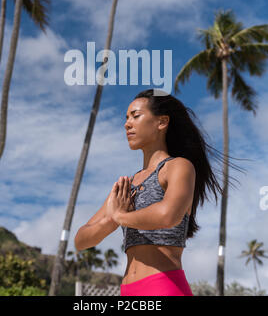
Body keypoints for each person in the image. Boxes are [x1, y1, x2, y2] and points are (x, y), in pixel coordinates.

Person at [74, 89, 228, 296]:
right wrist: (110, 221)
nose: (127, 124)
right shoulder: (127, 185)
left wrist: (121, 216)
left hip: (163, 286)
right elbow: (81, 240)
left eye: (135, 116)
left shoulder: (178, 167)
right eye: (126, 118)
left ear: (162, 122)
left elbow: (167, 215)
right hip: (127, 291)